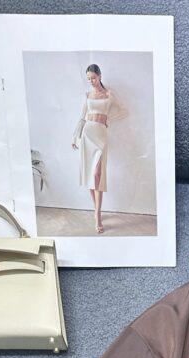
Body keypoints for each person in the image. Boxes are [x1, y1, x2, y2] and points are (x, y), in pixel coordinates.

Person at [71, 63, 128, 234]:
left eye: (93, 78)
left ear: (100, 76)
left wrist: (109, 118)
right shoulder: (87, 95)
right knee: (91, 175)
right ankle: (97, 212)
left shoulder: (109, 94)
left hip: (101, 136)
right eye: (88, 79)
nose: (91, 81)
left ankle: (97, 213)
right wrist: (75, 137)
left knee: (98, 174)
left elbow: (124, 111)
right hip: (87, 134)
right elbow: (82, 117)